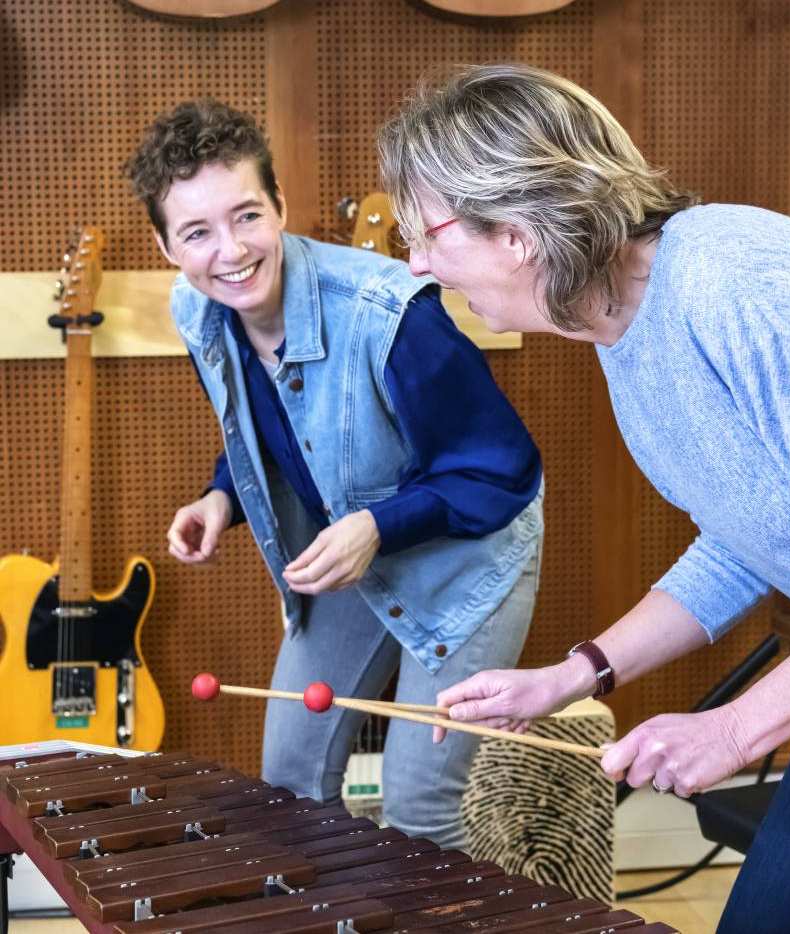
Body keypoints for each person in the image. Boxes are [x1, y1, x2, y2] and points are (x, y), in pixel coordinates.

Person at [377, 64, 790, 932]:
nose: (415, 260)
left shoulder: (738, 288)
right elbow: (745, 533)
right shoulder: (616, 318)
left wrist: (736, 731)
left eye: (426, 231)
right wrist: (575, 674)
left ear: (517, 232)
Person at [125, 99, 544, 850]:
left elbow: (501, 469)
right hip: (359, 548)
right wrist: (223, 493)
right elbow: (281, 422)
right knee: (287, 784)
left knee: (420, 809)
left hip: (468, 562)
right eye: (196, 232)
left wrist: (378, 525)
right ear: (166, 247)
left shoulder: (389, 314)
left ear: (279, 205)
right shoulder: (199, 310)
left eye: (246, 216)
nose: (230, 251)